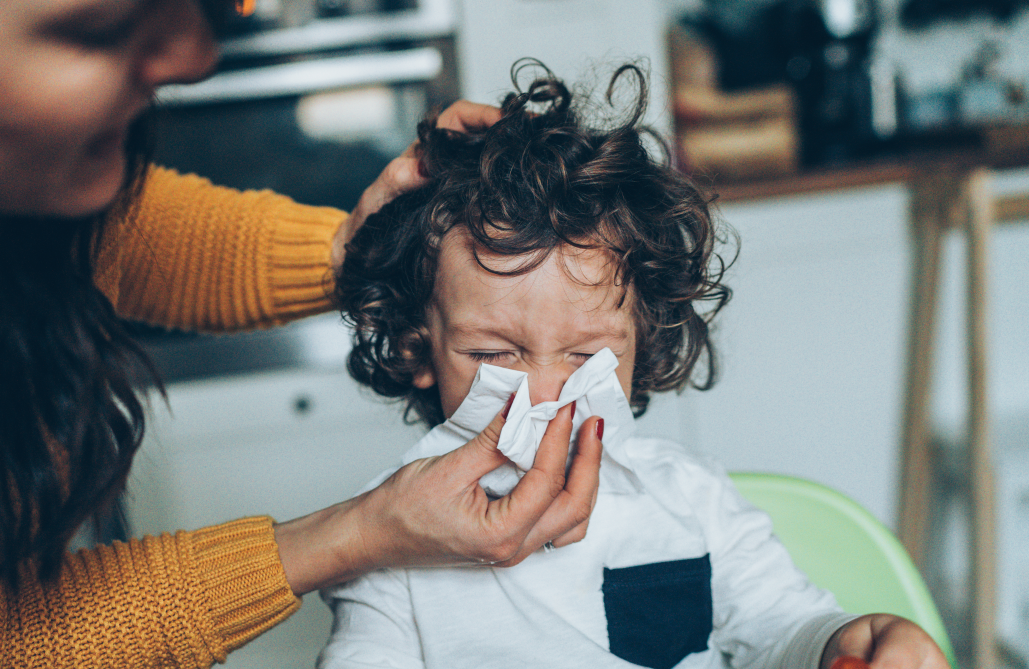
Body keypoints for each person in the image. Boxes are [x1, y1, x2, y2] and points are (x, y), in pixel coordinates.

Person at [0, 0, 604, 666]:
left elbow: (138, 236)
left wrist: (375, 258)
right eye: (101, 27)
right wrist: (360, 531)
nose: (193, 53)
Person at [319, 63, 951, 669]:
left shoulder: (689, 501)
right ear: (414, 344)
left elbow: (779, 631)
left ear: (642, 344)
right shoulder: (387, 539)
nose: (544, 396)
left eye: (586, 357)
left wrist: (848, 643)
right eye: (491, 355)